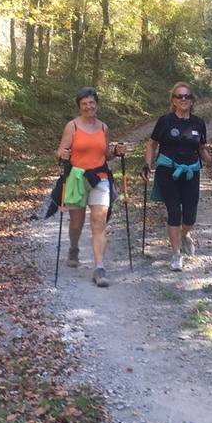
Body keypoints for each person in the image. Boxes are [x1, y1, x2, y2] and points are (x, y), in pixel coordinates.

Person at [54, 87, 127, 287]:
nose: (89, 106)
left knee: (99, 221)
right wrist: (61, 154)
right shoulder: (73, 127)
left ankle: (99, 267)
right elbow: (61, 151)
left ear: (97, 104)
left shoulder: (103, 127)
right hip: (77, 178)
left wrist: (116, 151)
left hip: (100, 177)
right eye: (84, 103)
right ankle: (74, 248)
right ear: (79, 106)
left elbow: (106, 155)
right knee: (76, 223)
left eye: (92, 103)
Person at [143, 82, 212, 271]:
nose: (183, 100)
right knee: (174, 212)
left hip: (191, 172)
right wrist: (147, 164)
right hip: (168, 171)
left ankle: (185, 235)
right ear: (173, 100)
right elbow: (152, 145)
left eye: (187, 97)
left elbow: (201, 149)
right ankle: (176, 254)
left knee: (190, 216)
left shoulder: (198, 123)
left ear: (192, 101)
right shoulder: (165, 121)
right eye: (179, 96)